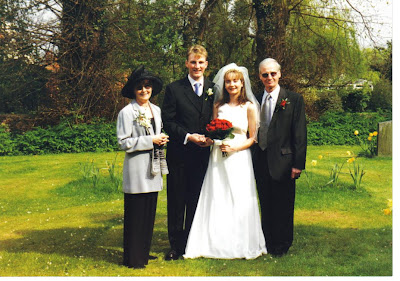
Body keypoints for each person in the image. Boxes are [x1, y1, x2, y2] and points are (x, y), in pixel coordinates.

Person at [183, 63, 267, 259]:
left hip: (239, 155)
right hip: (218, 155)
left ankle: (242, 242)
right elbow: (213, 130)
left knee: (239, 196)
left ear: (242, 83)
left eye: (235, 81)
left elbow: (253, 137)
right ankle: (214, 241)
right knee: (217, 194)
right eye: (228, 81)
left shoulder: (249, 107)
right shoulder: (217, 106)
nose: (231, 85)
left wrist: (235, 148)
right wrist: (208, 141)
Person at [161, 45, 214, 260]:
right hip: (180, 154)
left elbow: (217, 118)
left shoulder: (214, 88)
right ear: (186, 63)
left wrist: (212, 137)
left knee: (196, 199)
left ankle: (192, 242)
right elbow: (168, 121)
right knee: (177, 200)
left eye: (201, 62)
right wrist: (188, 136)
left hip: (203, 155)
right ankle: (176, 246)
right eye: (193, 62)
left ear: (206, 65)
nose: (197, 66)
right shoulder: (174, 89)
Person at [253, 58, 307, 257]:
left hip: (284, 162)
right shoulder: (255, 99)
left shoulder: (293, 99)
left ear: (280, 74)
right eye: (265, 74)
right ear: (260, 76)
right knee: (265, 203)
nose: (269, 78)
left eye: (273, 73)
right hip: (260, 160)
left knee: (283, 204)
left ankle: (283, 243)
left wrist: (297, 164)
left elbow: (300, 134)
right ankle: (267, 241)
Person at [117, 65, 169, 269]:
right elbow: (123, 142)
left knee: (148, 212)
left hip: (153, 168)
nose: (144, 91)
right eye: (139, 87)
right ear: (133, 90)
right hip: (137, 169)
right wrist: (150, 140)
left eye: (147, 87)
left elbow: (156, 134)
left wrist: (161, 140)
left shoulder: (156, 109)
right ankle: (133, 258)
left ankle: (144, 253)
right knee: (136, 214)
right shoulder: (127, 112)